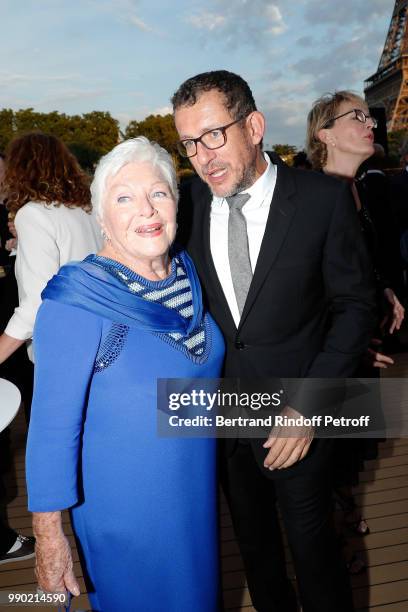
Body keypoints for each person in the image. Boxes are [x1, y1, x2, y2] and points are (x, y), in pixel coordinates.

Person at [172, 70, 376, 612]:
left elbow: (357, 307)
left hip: (300, 415)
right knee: (257, 555)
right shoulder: (182, 206)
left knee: (316, 557)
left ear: (255, 125)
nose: (203, 155)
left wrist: (310, 404)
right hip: (226, 419)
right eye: (190, 142)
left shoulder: (321, 200)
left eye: (214, 134)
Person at [26, 137, 225, 612]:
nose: (147, 210)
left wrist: (327, 405)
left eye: (158, 193)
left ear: (176, 203)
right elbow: (52, 430)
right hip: (126, 516)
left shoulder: (187, 274)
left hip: (194, 501)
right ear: (100, 218)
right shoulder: (76, 300)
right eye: (124, 198)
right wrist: (49, 536)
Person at [306, 90, 404, 573]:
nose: (371, 123)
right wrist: (352, 335)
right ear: (324, 134)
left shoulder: (365, 189)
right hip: (332, 352)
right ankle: (334, 550)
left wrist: (382, 290)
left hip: (360, 344)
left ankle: (343, 517)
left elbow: (357, 267)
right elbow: (303, 286)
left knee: (352, 451)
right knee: (330, 458)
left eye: (370, 115)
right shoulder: (311, 197)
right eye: (357, 117)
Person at [0, 132, 101, 369]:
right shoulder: (87, 209)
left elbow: (37, 302)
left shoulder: (32, 214)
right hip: (99, 334)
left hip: (64, 347)